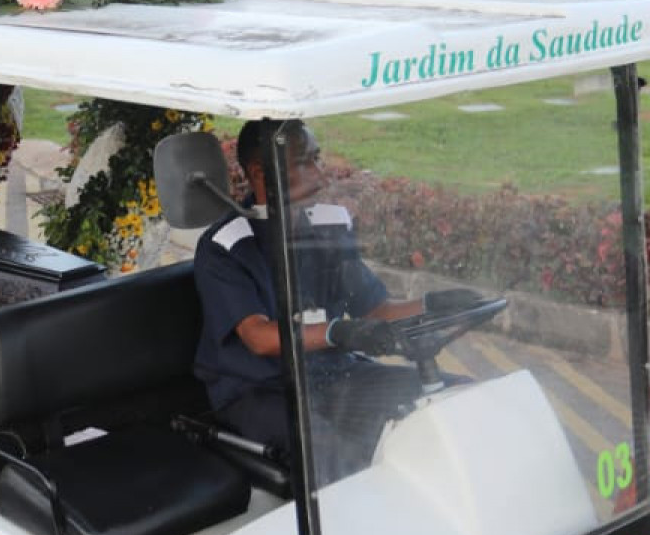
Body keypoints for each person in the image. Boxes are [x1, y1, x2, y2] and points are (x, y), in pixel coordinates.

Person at [194, 119, 458, 484]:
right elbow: (260, 337)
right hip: (261, 391)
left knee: (453, 399)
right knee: (334, 459)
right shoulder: (227, 245)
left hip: (336, 376)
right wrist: (337, 332)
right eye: (304, 162)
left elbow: (375, 309)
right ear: (260, 172)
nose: (320, 175)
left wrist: (436, 305)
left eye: (317, 158)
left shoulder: (327, 226)